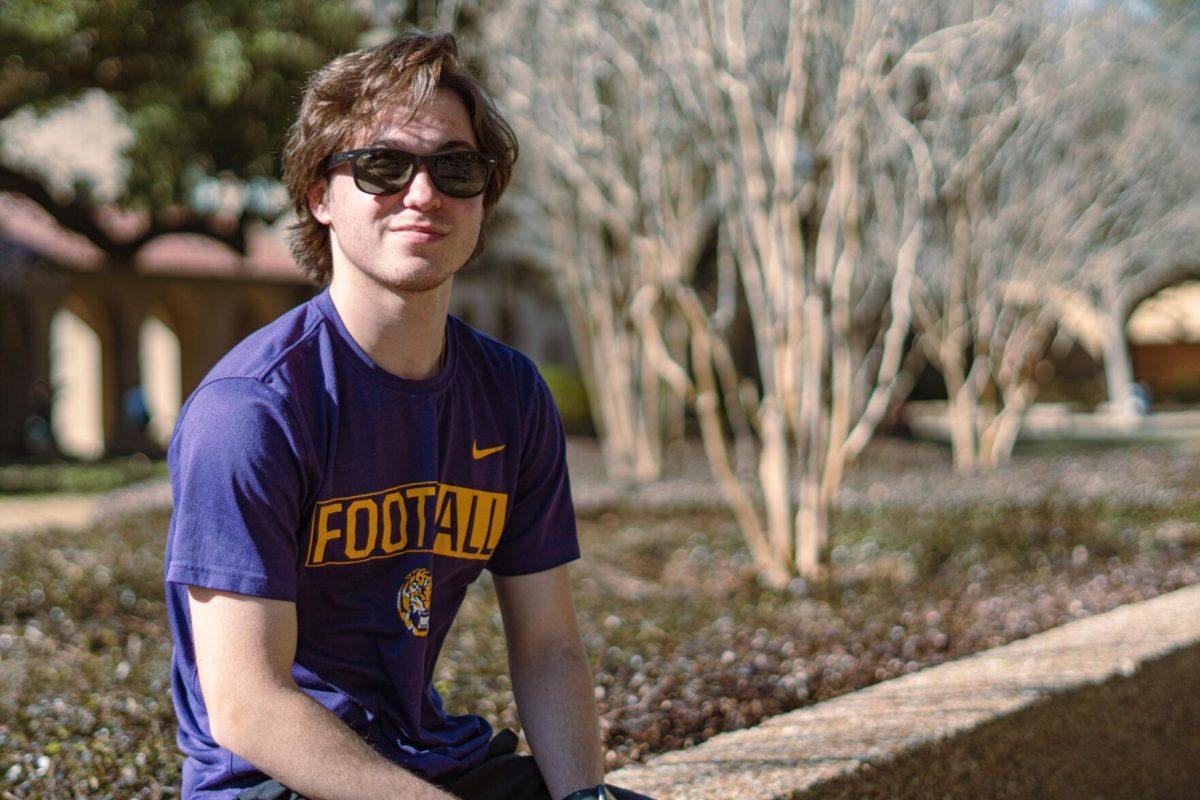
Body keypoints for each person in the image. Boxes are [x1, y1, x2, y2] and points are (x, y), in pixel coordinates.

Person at [162, 31, 653, 800]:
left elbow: (550, 644)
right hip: (273, 784)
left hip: (434, 762)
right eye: (384, 167)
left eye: (455, 168)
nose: (423, 195)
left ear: (483, 197)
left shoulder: (511, 395)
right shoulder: (253, 411)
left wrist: (585, 798)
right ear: (320, 194)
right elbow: (247, 705)